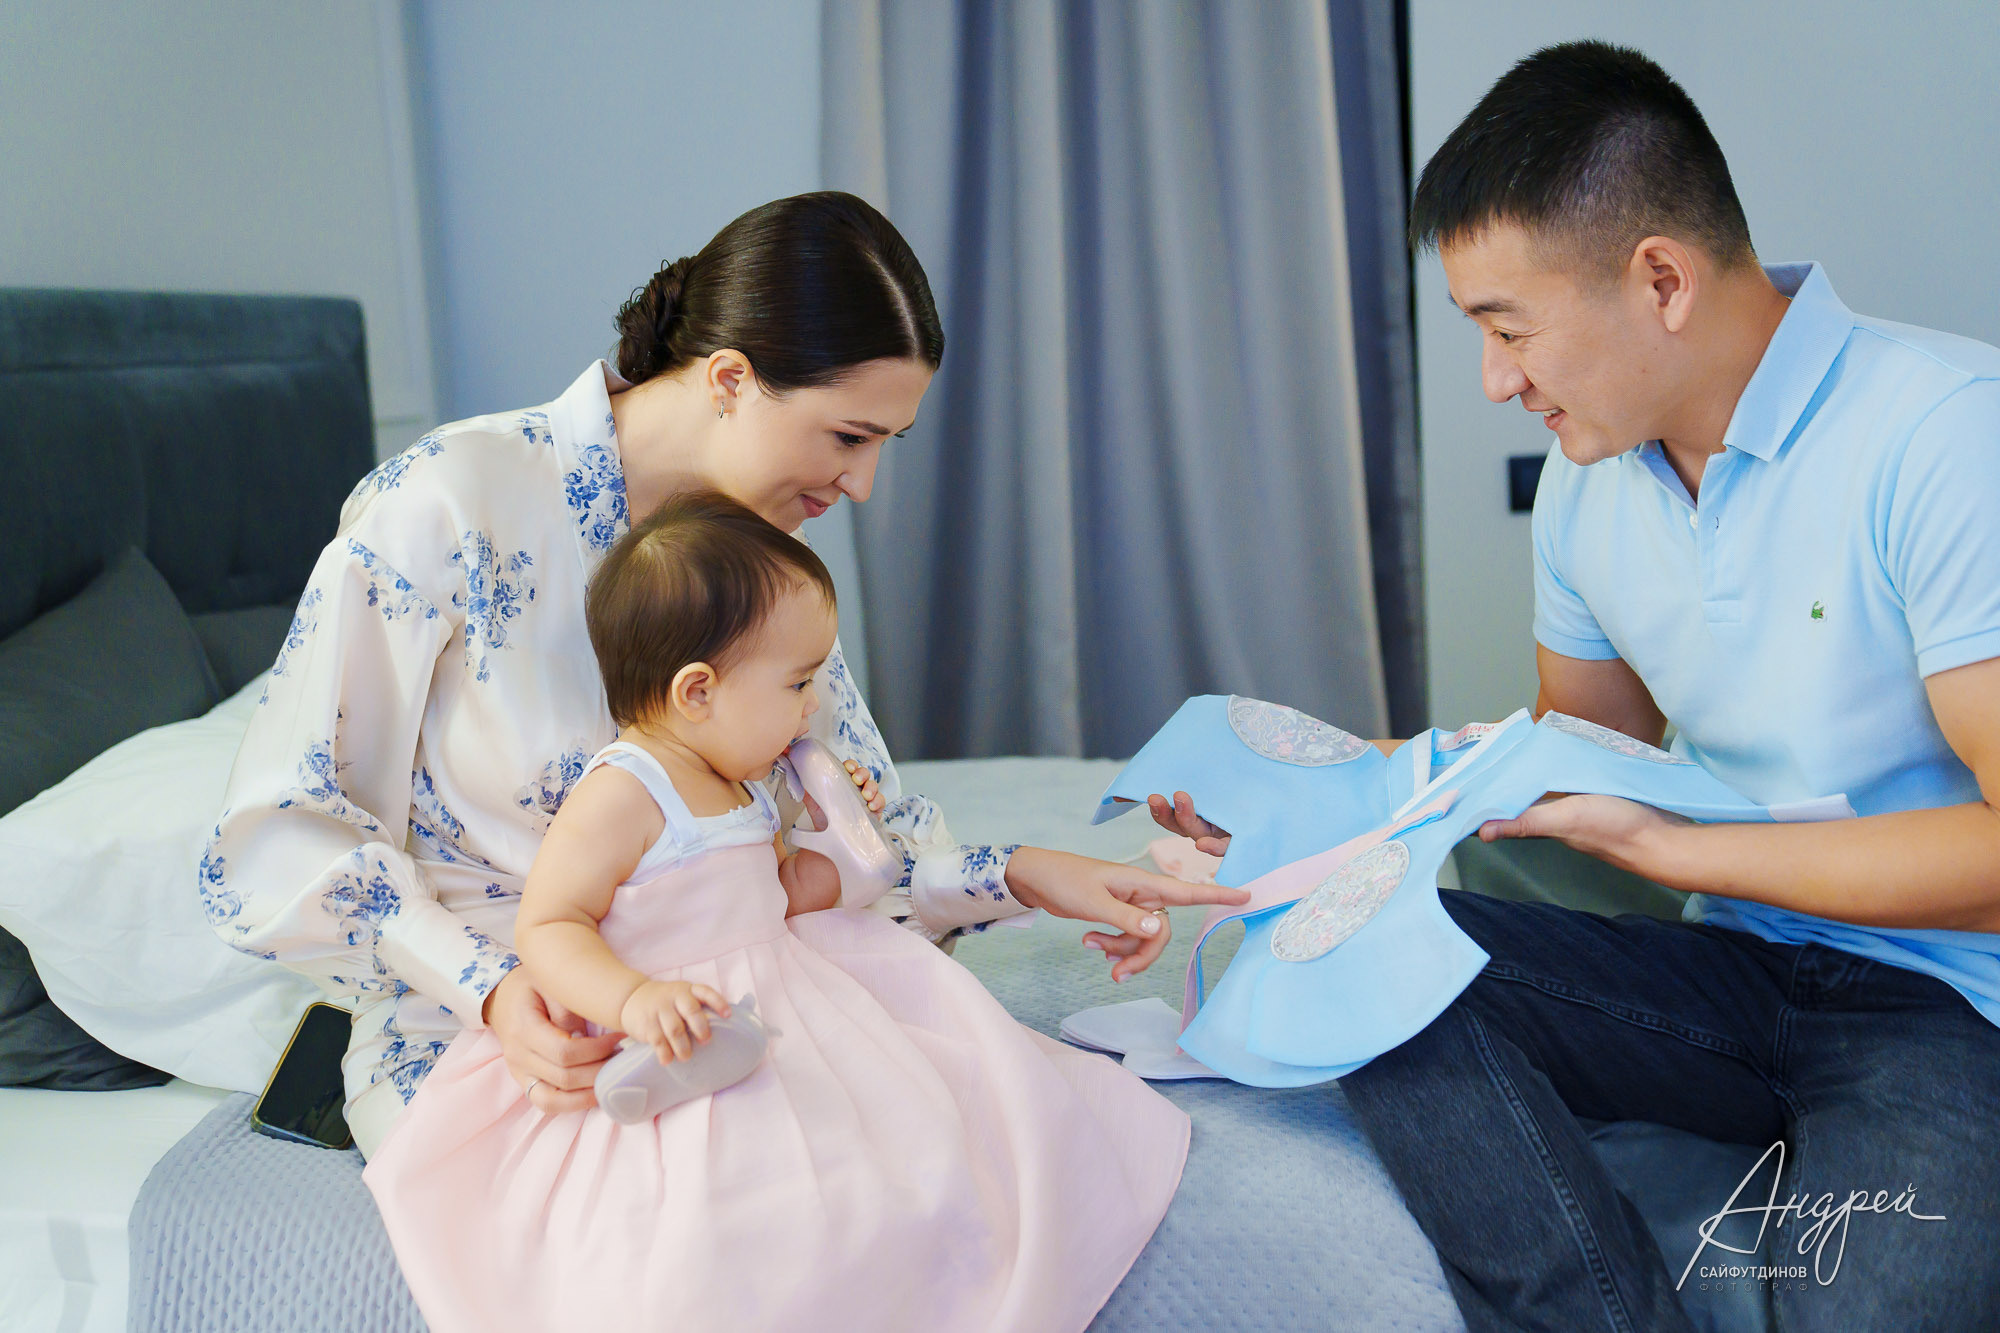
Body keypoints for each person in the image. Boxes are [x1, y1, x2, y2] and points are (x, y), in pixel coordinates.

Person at [1159, 40, 2000, 1331]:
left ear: (1658, 278)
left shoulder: (1942, 437)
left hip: (1947, 1007)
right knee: (1354, 965)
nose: (1498, 380)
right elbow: (1571, 761)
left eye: (1508, 328)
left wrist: (1689, 852)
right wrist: (1319, 799)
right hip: (1734, 981)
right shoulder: (1586, 485)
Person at [202, 190, 1247, 1158]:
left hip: (732, 1001)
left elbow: (848, 851)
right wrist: (490, 991)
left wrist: (1021, 872)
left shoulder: (755, 564)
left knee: (993, 1154)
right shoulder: (448, 506)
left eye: (887, 442)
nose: (865, 484)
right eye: (848, 435)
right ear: (731, 377)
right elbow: (286, 831)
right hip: (521, 1034)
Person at [363, 492, 1187, 1332]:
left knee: (924, 1135)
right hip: (669, 1023)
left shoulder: (744, 780)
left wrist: (844, 834)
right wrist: (632, 999)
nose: (808, 708)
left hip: (774, 989)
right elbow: (549, 926)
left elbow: (784, 889)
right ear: (697, 691)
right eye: (797, 683)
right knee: (734, 1210)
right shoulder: (623, 790)